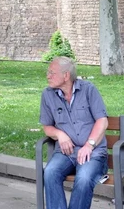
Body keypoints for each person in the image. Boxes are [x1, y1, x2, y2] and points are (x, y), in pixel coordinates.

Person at [40, 56, 108, 209]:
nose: (48, 76)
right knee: (50, 173)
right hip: (65, 153)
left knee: (84, 178)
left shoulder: (88, 89)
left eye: (52, 72)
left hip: (92, 152)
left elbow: (102, 121)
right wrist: (60, 134)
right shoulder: (47, 95)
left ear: (66, 76)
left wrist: (89, 145)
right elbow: (47, 127)